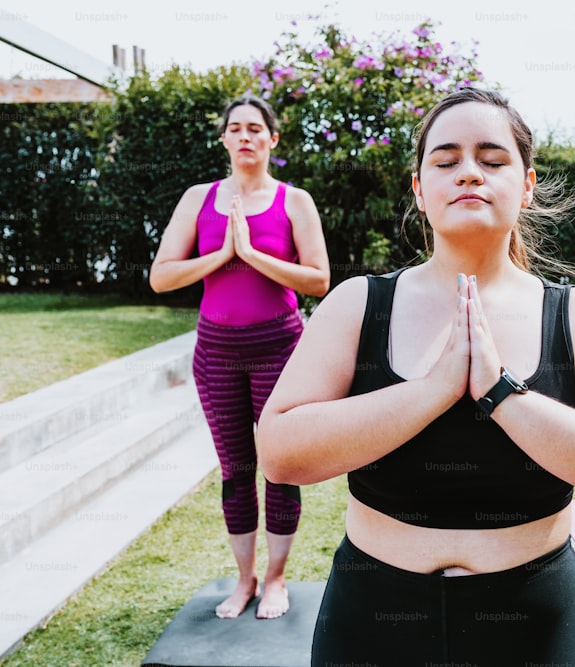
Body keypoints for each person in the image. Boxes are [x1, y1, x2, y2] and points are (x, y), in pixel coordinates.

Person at [256, 87, 575, 665]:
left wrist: (500, 391)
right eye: (446, 161)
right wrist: (432, 389)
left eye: (493, 160)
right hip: (374, 614)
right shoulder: (358, 304)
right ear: (421, 191)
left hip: (535, 618)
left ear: (526, 186)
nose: (469, 173)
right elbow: (279, 452)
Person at [149, 94, 330, 619]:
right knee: (235, 470)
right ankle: (245, 579)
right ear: (225, 139)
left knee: (280, 466)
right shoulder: (199, 199)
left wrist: (253, 256)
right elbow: (161, 276)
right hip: (217, 354)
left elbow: (319, 279)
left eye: (256, 128)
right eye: (236, 129)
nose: (246, 136)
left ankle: (276, 580)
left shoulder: (295, 201)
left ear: (273, 140)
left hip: (279, 348)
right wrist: (222, 255)